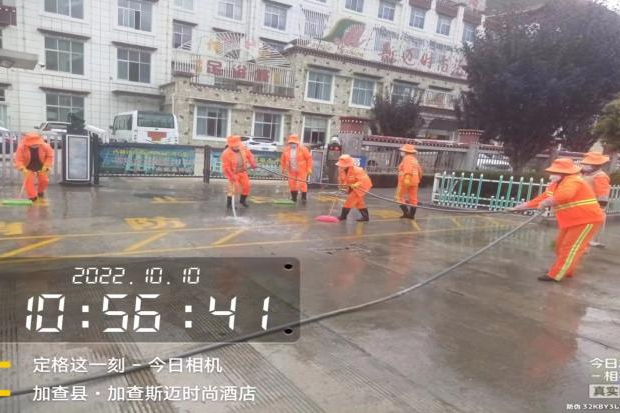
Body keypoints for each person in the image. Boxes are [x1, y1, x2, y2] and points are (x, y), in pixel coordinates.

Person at [511, 158, 604, 282]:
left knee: (570, 248)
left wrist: (547, 203)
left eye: (555, 172)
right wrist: (521, 207)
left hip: (586, 219)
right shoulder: (556, 184)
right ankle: (566, 270)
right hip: (572, 220)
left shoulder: (573, 180)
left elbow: (565, 195)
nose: (551, 175)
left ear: (564, 173)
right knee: (559, 246)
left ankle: (555, 274)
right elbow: (542, 198)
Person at [581, 152, 611, 247]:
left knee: (588, 229)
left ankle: (585, 247)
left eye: (587, 163)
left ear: (596, 165)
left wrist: (600, 208)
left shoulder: (600, 176)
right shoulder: (586, 174)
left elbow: (603, 194)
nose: (584, 165)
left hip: (592, 207)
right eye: (585, 163)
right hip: (583, 206)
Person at [14, 132, 54, 202]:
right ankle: (32, 196)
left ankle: (40, 191)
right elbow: (18, 159)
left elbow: (49, 156)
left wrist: (46, 166)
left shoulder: (46, 146)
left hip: (42, 166)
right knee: (28, 180)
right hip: (28, 166)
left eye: (36, 143)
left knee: (44, 180)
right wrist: (22, 168)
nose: (35, 144)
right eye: (32, 143)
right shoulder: (21, 147)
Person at [221, 135, 256, 209]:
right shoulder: (226, 153)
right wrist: (231, 176)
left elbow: (250, 156)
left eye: (237, 145)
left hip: (243, 172)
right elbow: (226, 167)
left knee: (246, 186)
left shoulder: (243, 148)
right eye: (235, 146)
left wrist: (252, 162)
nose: (237, 147)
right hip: (233, 173)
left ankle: (242, 201)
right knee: (233, 189)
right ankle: (229, 204)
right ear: (230, 145)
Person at [336, 154, 373, 222]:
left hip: (362, 187)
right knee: (359, 202)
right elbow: (341, 178)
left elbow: (363, 180)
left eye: (343, 165)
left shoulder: (357, 170)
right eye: (341, 165)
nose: (342, 166)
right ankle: (365, 217)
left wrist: (356, 184)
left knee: (350, 200)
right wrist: (341, 185)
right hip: (351, 187)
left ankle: (343, 216)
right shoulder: (341, 169)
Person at [280, 134, 313, 204]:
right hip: (291, 170)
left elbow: (309, 159)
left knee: (301, 183)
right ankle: (294, 198)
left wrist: (309, 168)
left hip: (302, 170)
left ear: (297, 142)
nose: (292, 144)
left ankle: (304, 197)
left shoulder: (303, 149)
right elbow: (283, 160)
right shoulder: (286, 150)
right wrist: (283, 169)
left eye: (294, 143)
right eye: (291, 143)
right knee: (291, 184)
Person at [395, 144, 423, 220]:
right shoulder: (414, 160)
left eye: (402, 151)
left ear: (406, 151)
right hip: (415, 181)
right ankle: (411, 215)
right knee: (413, 198)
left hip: (405, 181)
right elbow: (420, 171)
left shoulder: (406, 158)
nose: (401, 152)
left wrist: (407, 178)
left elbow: (408, 169)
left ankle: (406, 213)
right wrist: (418, 179)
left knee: (399, 197)